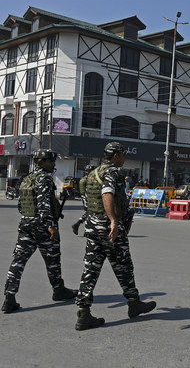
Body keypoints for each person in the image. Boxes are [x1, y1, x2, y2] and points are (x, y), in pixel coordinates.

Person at [74, 142, 155, 331]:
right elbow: (107, 194)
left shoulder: (93, 173)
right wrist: (113, 221)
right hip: (108, 229)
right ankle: (134, 303)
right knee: (124, 266)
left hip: (93, 228)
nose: (124, 158)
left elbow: (89, 201)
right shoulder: (112, 172)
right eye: (123, 155)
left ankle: (83, 312)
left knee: (90, 270)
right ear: (116, 155)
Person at [2, 149, 77, 313]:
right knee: (53, 260)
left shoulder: (26, 179)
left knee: (18, 261)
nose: (53, 164)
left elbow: (21, 205)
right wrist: (50, 226)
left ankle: (9, 297)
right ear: (42, 162)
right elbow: (44, 204)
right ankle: (58, 290)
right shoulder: (44, 179)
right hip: (43, 226)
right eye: (51, 161)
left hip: (26, 224)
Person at [72, 165, 96, 235]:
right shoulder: (88, 179)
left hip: (86, 197)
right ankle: (80, 225)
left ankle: (81, 226)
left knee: (89, 213)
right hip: (87, 198)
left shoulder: (85, 178)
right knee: (89, 212)